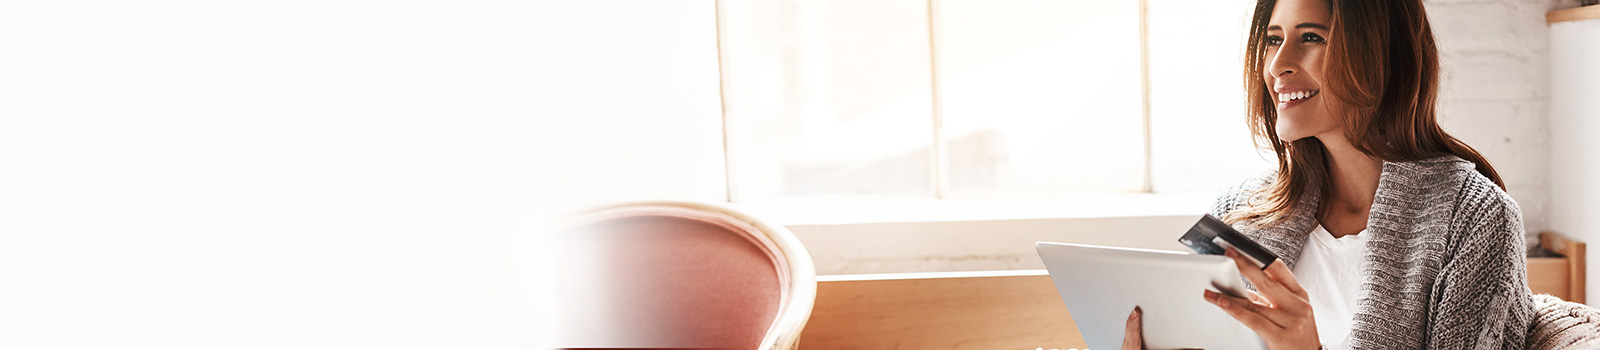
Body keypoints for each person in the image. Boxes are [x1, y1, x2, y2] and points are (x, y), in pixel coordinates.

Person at [1121, 0, 1536, 349]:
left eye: (1312, 38)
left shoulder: (1476, 220)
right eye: (1272, 40)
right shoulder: (1239, 210)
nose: (1277, 65)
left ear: (1382, 54)